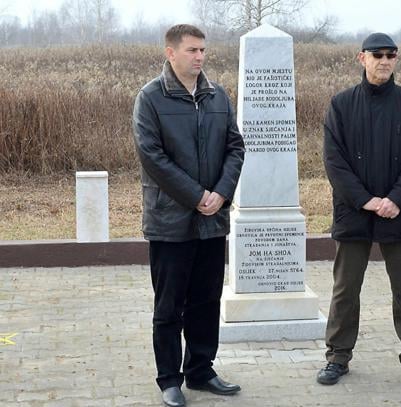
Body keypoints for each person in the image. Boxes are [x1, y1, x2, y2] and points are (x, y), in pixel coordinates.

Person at [132, 24, 245, 407]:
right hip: (170, 221)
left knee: (206, 299)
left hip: (212, 221)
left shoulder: (218, 96)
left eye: (202, 50)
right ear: (171, 53)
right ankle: (169, 379)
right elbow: (153, 157)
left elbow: (235, 146)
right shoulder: (150, 98)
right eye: (192, 50)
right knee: (169, 305)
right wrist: (197, 195)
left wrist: (221, 193)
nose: (199, 57)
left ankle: (201, 370)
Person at [318, 32, 401, 389]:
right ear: (361, 58)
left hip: (398, 211)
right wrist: (365, 200)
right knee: (345, 289)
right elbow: (334, 161)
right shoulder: (341, 104)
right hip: (354, 211)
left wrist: (395, 199)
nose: (384, 61)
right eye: (377, 54)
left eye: (391, 55)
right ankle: (338, 356)